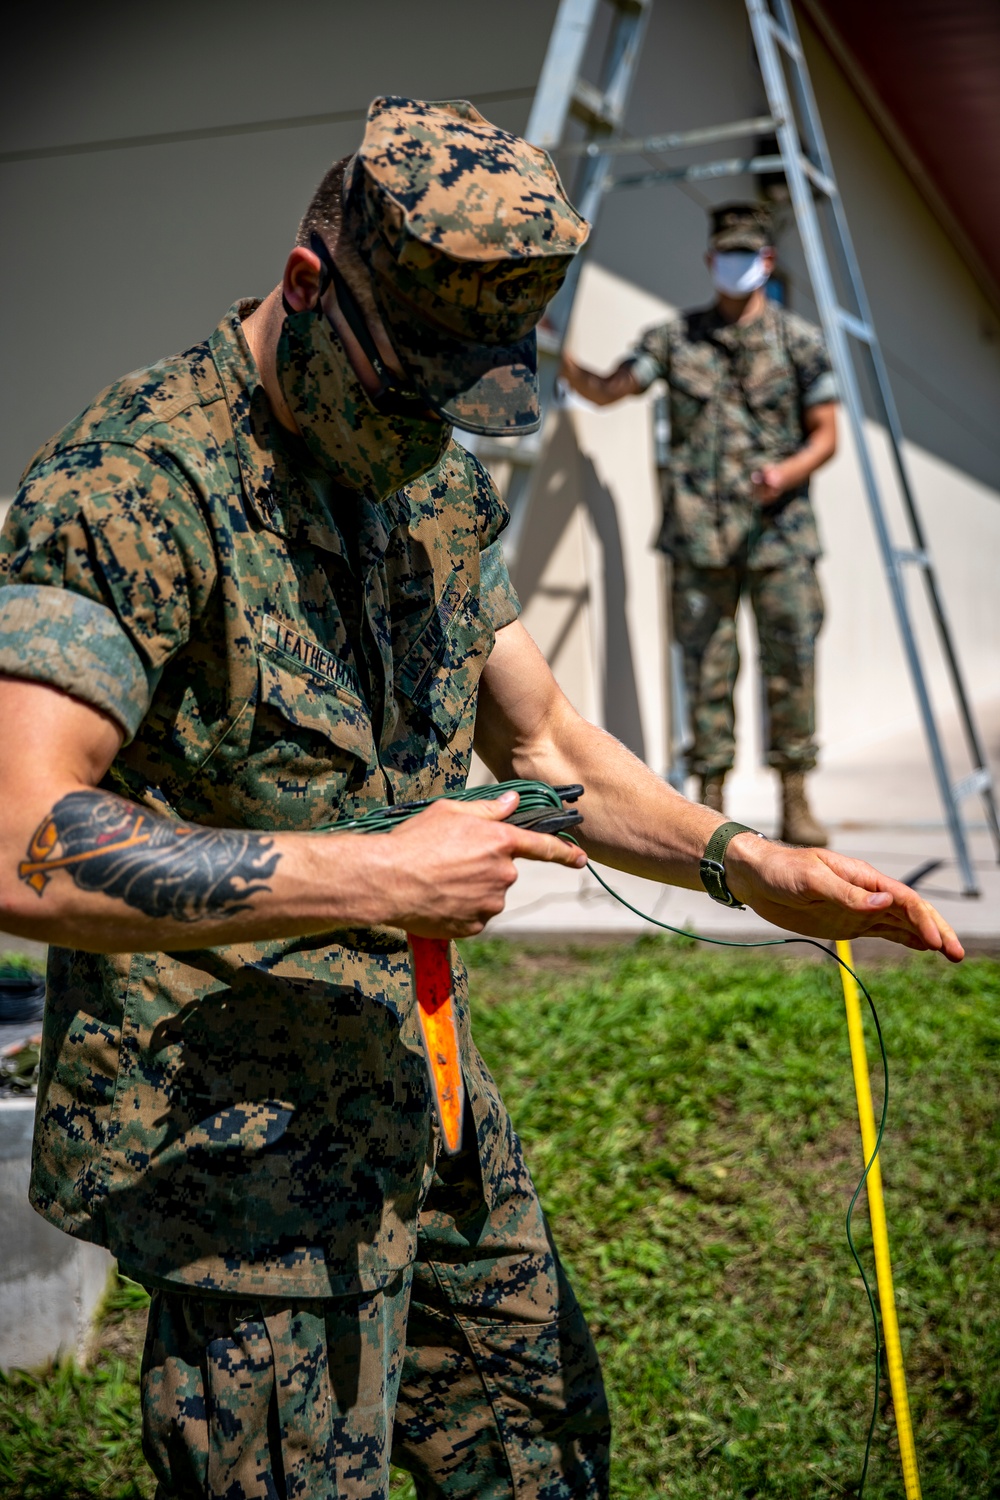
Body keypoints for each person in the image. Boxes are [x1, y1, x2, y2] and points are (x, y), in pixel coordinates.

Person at [0, 102, 960, 1500]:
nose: (432, 436)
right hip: (239, 1152)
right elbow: (24, 840)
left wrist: (745, 861)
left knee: (539, 1446)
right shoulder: (133, 487)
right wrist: (383, 877)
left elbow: (547, 736)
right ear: (312, 287)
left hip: (418, 1083)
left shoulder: (427, 483)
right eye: (413, 391)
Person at [561, 202, 838, 845]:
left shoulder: (800, 343)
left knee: (790, 666)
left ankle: (795, 796)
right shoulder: (673, 339)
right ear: (711, 261)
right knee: (706, 672)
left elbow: (826, 436)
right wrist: (556, 347)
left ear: (767, 262)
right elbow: (608, 389)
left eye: (748, 254)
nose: (736, 265)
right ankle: (711, 804)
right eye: (726, 255)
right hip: (698, 539)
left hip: (780, 538)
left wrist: (787, 473)